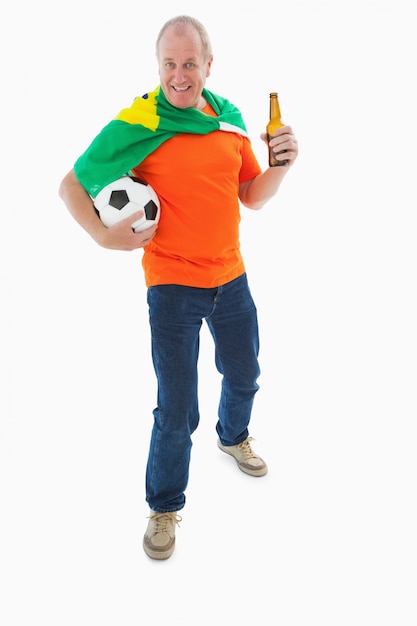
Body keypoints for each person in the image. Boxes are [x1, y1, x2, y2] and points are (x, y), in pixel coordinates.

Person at [59, 14, 298, 560]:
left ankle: (233, 436)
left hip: (231, 276)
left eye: (190, 63)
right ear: (159, 66)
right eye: (170, 63)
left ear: (208, 66)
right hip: (172, 286)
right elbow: (71, 184)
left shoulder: (230, 121)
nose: (179, 75)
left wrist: (281, 166)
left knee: (244, 374)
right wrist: (101, 236)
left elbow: (252, 195)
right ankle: (164, 506)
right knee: (176, 408)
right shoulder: (140, 122)